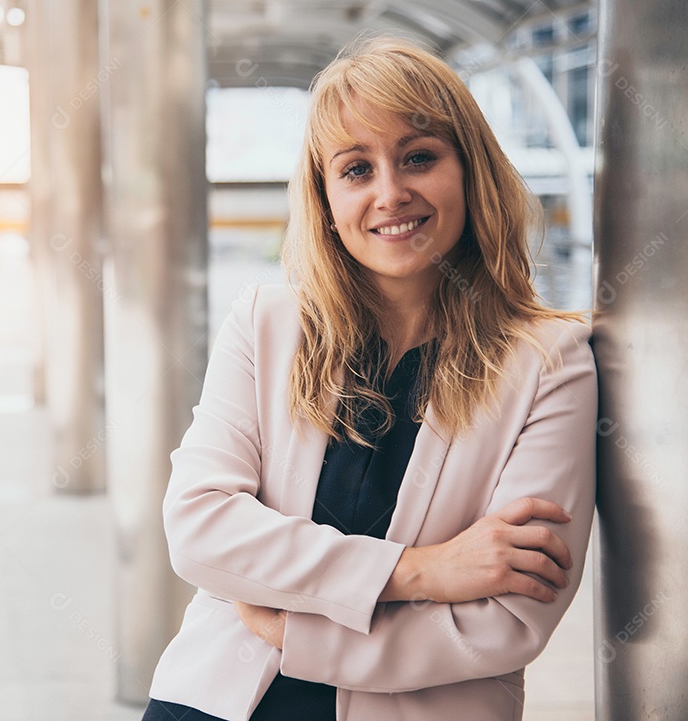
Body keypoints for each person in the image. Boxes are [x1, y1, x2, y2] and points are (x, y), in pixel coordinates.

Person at [140, 34, 597, 721]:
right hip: (213, 701)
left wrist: (293, 628)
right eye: (356, 169)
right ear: (326, 198)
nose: (390, 193)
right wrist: (425, 570)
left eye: (419, 157)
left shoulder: (550, 362)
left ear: (470, 170)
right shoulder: (266, 325)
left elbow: (507, 618)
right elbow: (200, 527)